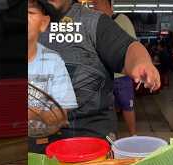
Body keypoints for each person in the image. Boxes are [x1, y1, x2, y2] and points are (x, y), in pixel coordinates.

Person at [41, 0, 160, 141]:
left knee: (127, 106)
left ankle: (133, 134)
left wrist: (141, 62)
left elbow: (128, 47)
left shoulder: (93, 21)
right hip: (38, 138)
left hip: (91, 136)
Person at [27, 0, 77, 153]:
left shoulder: (53, 60)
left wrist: (31, 112)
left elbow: (61, 116)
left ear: (44, 22)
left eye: (29, 13)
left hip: (43, 143)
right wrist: (42, 113)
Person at [94, 0, 137, 136]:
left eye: (96, 3)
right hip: (104, 76)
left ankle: (133, 136)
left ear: (107, 4)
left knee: (127, 106)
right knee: (108, 108)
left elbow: (133, 45)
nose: (94, 6)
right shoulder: (95, 23)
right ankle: (112, 138)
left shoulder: (121, 19)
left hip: (122, 75)